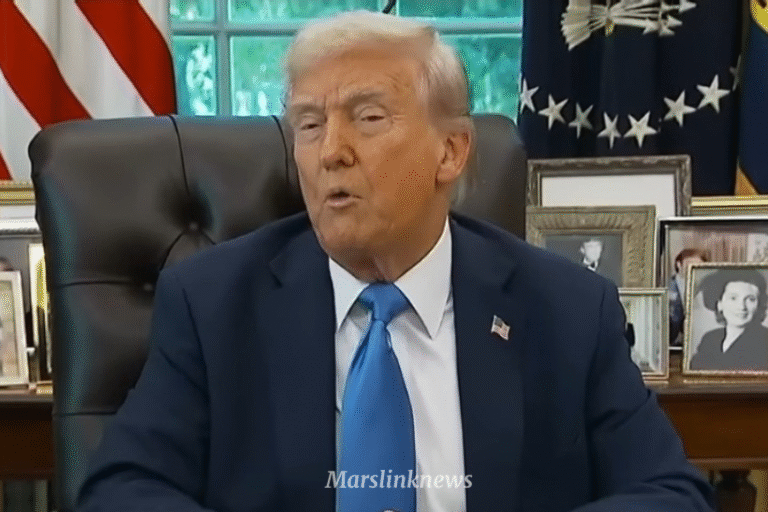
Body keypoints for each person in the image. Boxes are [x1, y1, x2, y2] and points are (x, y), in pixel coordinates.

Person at [76, 10, 714, 512]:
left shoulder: (566, 309)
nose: (331, 151)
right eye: (308, 125)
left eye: (368, 117)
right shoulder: (214, 302)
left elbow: (668, 493)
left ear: (451, 151)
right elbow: (121, 489)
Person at [689, 268, 768, 371]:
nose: (742, 307)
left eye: (750, 299)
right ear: (719, 304)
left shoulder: (765, 341)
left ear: (759, 305)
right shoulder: (710, 339)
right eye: (733, 298)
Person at [669, 248, 710, 347]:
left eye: (699, 267)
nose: (694, 270)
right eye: (690, 265)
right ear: (679, 265)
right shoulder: (668, 289)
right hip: (673, 345)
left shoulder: (707, 288)